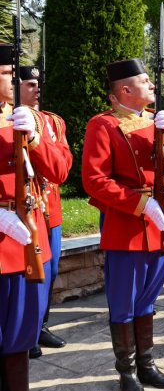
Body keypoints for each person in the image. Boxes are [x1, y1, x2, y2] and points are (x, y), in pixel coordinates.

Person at [82, 58, 164, 390]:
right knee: (124, 300)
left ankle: (147, 364)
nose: (153, 86)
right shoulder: (103, 125)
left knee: (148, 299)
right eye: (145, 81)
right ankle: (126, 371)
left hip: (159, 224)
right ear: (125, 90)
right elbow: (95, 181)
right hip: (127, 225)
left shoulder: (155, 121)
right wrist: (142, 205)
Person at [0, 44, 68, 391]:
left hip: (29, 234)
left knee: (21, 335)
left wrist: (38, 138)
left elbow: (58, 172)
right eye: (9, 74)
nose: (16, 81)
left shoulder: (36, 119)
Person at [18, 66, 73, 359]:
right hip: (21, 210)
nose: (37, 88)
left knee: (48, 272)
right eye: (29, 84)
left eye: (38, 83)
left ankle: (41, 325)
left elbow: (62, 165)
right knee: (26, 274)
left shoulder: (51, 122)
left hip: (49, 208)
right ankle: (25, 329)